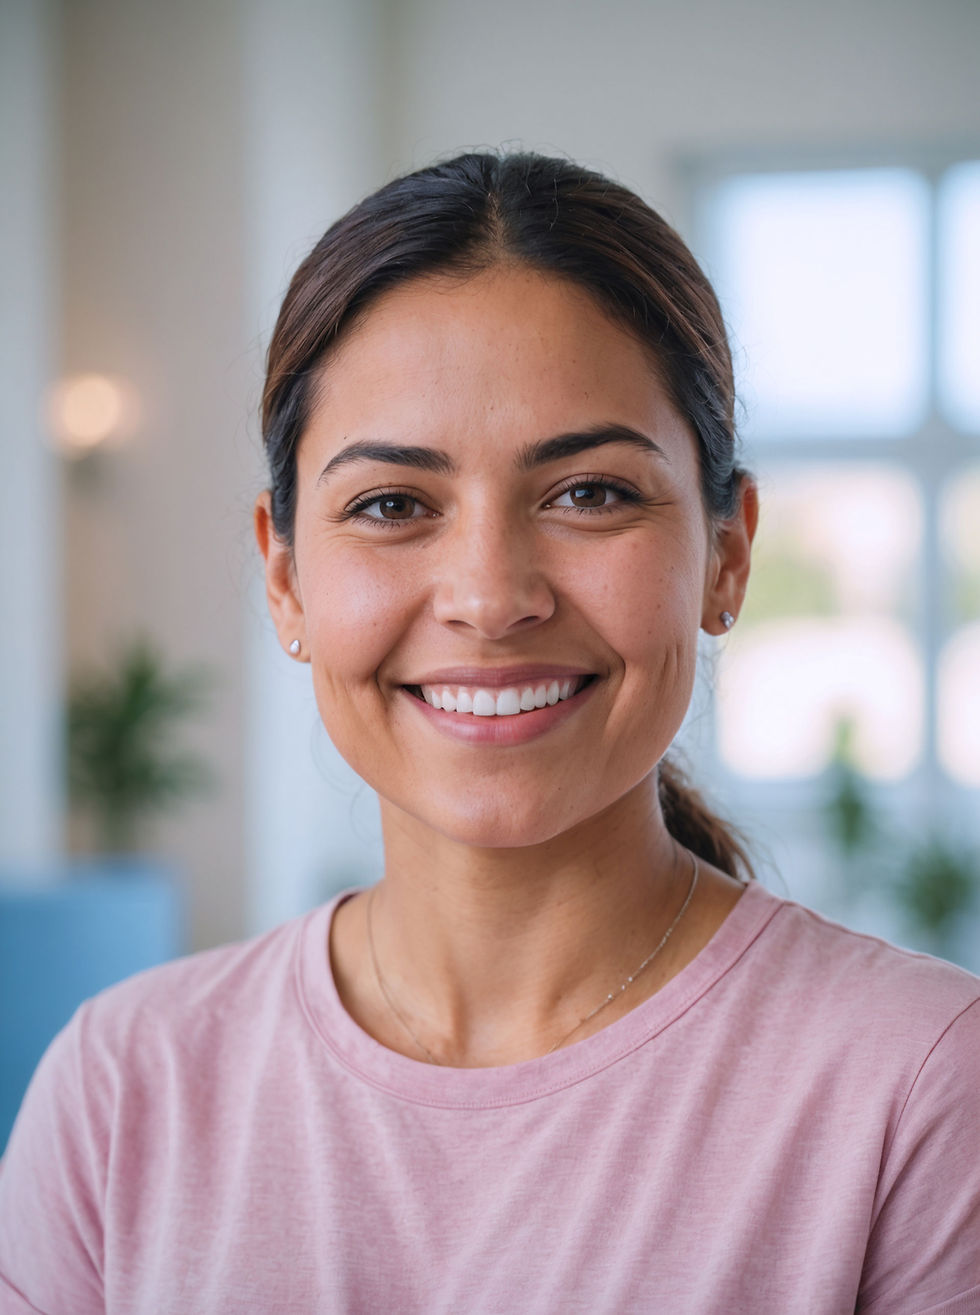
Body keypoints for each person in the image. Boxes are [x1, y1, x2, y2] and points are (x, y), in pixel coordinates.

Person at [1, 152, 978, 1314]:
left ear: (726, 551)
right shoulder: (121, 1091)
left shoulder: (917, 1084)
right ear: (283, 574)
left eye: (589, 493)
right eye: (391, 506)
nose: (488, 593)